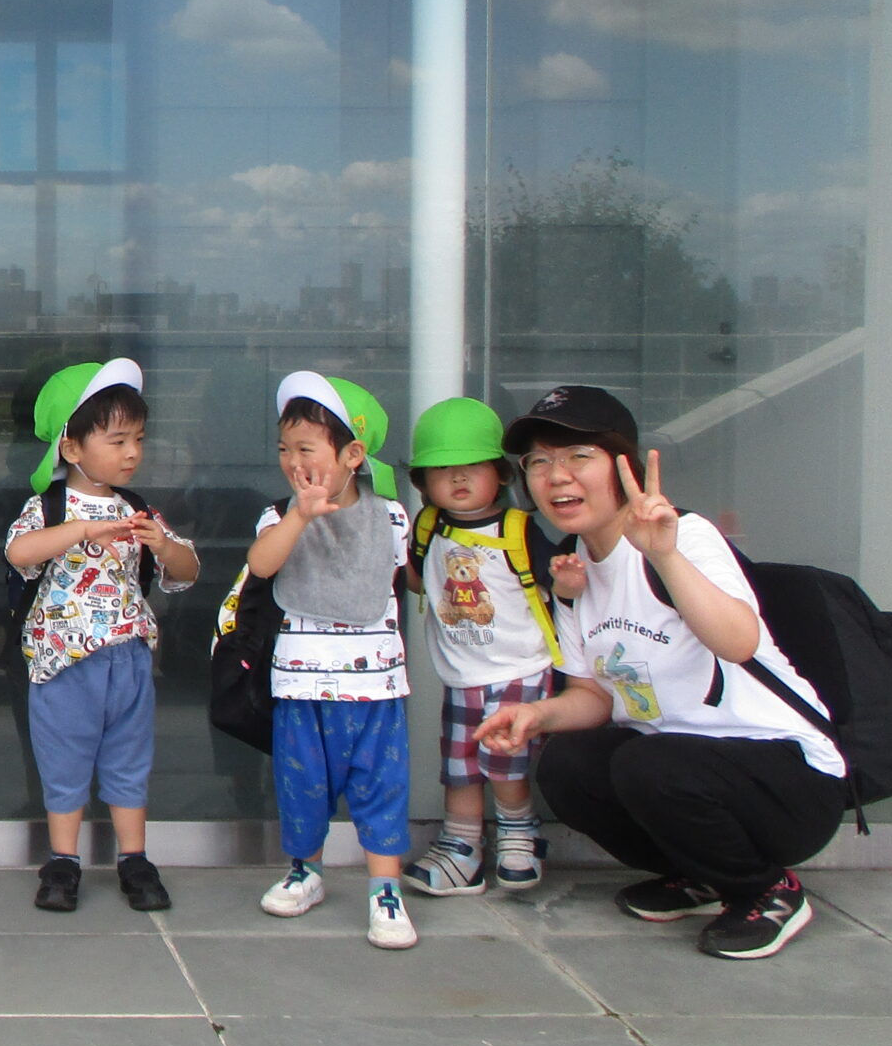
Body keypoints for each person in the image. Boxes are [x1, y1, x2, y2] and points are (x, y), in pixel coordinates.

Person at [477, 386, 845, 960]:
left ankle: (767, 890)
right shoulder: (574, 569)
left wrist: (665, 556)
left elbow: (739, 640)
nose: (556, 476)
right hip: (684, 765)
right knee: (570, 765)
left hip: (788, 774)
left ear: (623, 467)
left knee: (647, 764)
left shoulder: (683, 535)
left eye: (578, 457)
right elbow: (593, 696)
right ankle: (700, 873)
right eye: (539, 462)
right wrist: (536, 714)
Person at [4, 359, 198, 915]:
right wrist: (83, 531)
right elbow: (20, 552)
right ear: (71, 448)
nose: (132, 452)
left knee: (128, 758)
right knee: (63, 758)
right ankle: (63, 860)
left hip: (129, 660)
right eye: (117, 441)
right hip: (64, 662)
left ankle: (133, 857)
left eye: (137, 439)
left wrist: (162, 545)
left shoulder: (138, 510)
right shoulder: (50, 508)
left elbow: (186, 572)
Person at [246, 372, 418, 950]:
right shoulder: (279, 517)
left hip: (376, 686)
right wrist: (300, 516)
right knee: (302, 784)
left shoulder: (391, 516)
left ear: (352, 455)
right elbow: (263, 566)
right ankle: (305, 869)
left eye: (306, 449)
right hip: (300, 683)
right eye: (283, 450)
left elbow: (408, 578)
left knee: (381, 784)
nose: (292, 461)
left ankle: (384, 889)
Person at [399, 396, 557, 898]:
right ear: (423, 483)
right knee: (460, 764)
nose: (459, 479)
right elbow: (420, 582)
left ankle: (518, 831)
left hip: (519, 669)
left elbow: (559, 587)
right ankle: (462, 845)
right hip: (461, 673)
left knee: (505, 761)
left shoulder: (519, 530)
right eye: (443, 471)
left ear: (502, 474)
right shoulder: (428, 527)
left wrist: (571, 586)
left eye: (472, 468)